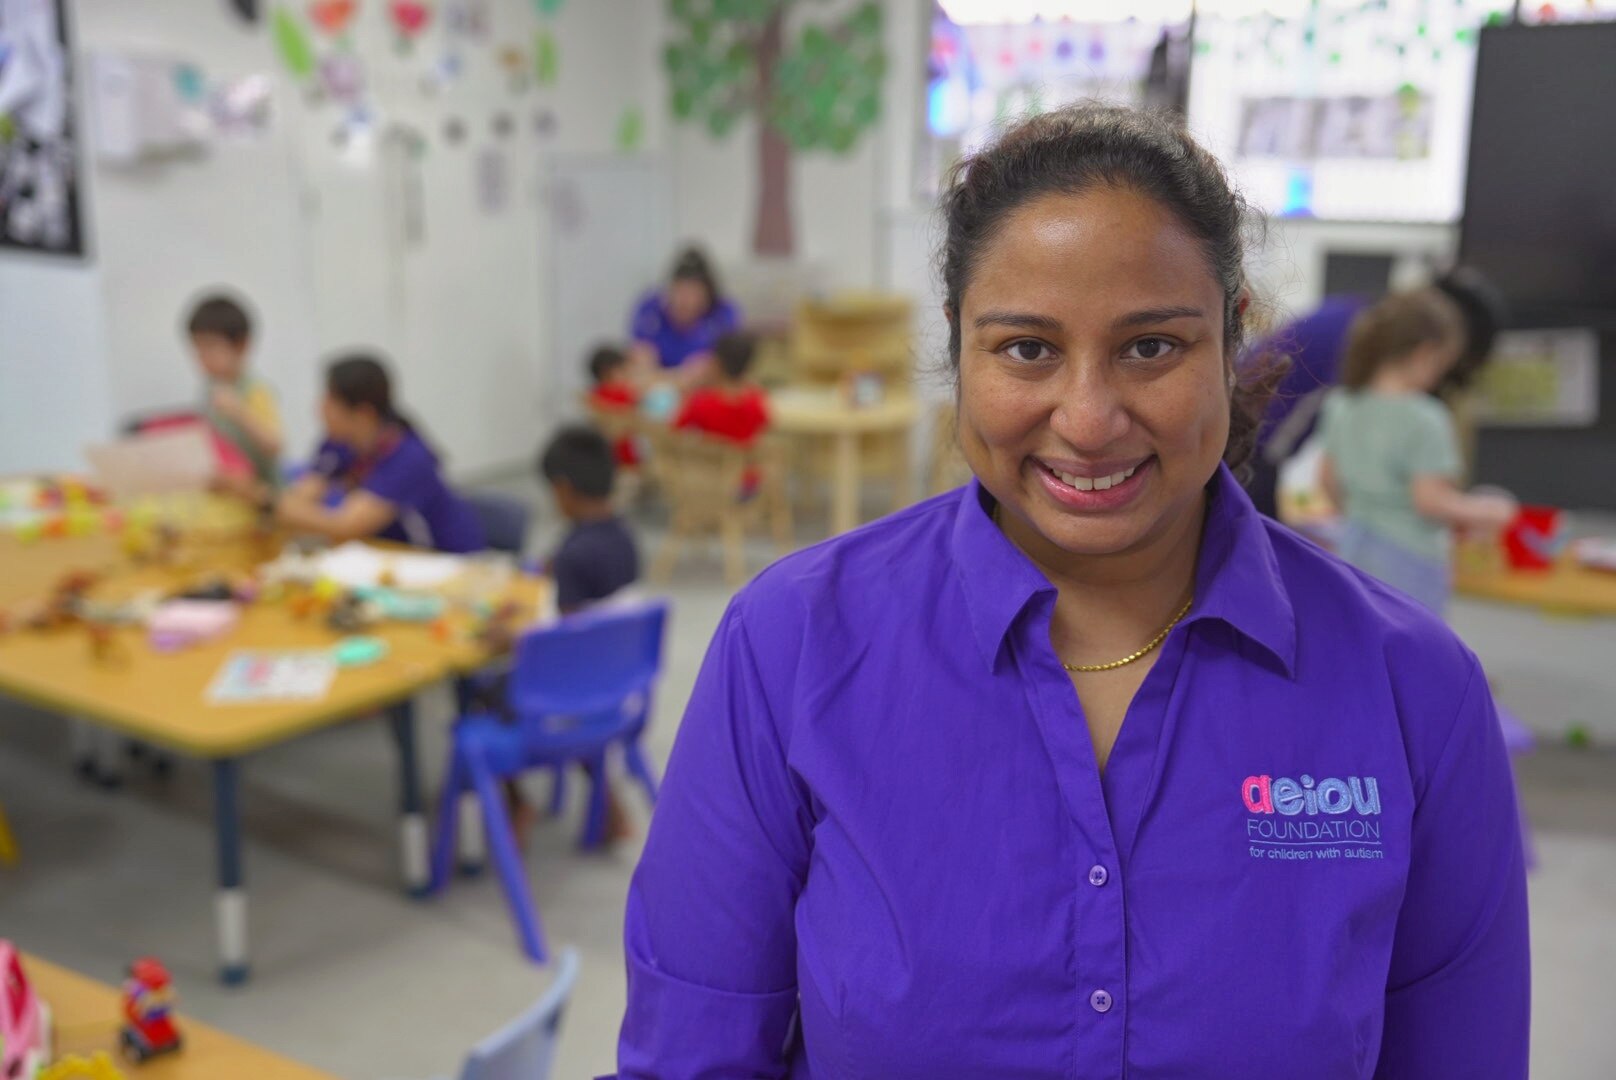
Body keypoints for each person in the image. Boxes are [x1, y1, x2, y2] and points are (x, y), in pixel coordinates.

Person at [615, 105, 1528, 1077]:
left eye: (1149, 348)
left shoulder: (1411, 690)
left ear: (1230, 341)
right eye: (1025, 349)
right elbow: (689, 1058)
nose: (1087, 420)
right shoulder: (790, 645)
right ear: (958, 350)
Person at [1243, 267, 1503, 518]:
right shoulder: (1357, 344)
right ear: (1425, 351)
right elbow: (1274, 445)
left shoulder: (1367, 324)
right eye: (1442, 364)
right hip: (1249, 439)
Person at [1316, 289, 1518, 614]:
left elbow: (1327, 481)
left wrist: (1361, 514)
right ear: (1425, 354)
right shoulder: (1426, 418)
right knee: (1415, 654)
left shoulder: (1341, 405)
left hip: (1353, 550)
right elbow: (1430, 501)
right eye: (1442, 365)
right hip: (1410, 562)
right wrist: (1487, 511)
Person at [275, 355, 486, 553]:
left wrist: (268, 503)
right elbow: (299, 499)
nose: (320, 409)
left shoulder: (409, 457)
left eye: (331, 401)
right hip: (387, 556)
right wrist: (283, 507)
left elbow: (346, 525)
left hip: (444, 561)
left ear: (363, 413)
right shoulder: (338, 443)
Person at [539, 425, 640, 615]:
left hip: (584, 643)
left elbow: (568, 635)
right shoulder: (625, 535)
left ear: (562, 489)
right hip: (620, 641)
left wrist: (516, 636)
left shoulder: (571, 557)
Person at [186, 293, 283, 491]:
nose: (202, 357)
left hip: (263, 492)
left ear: (241, 345)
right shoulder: (210, 388)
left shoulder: (255, 390)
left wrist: (239, 411)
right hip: (231, 488)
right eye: (197, 348)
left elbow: (275, 445)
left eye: (210, 347)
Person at [628, 247, 741, 387]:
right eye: (680, 290)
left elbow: (723, 364)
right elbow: (640, 353)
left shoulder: (722, 313)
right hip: (654, 388)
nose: (685, 301)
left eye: (694, 293)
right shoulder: (650, 309)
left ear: (708, 295)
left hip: (702, 392)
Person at [585, 344, 643, 470]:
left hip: (603, 461)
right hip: (625, 460)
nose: (627, 376)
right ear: (607, 373)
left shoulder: (593, 396)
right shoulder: (620, 394)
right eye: (623, 371)